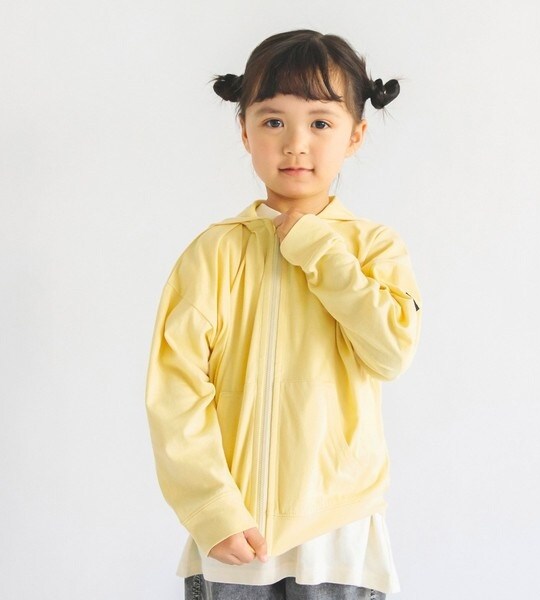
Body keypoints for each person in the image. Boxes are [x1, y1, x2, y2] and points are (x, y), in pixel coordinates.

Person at [145, 29, 422, 600]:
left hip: (340, 528)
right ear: (245, 131)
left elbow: (391, 352)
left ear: (356, 134)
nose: (296, 143)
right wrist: (210, 505)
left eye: (320, 122)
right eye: (274, 121)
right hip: (234, 530)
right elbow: (175, 390)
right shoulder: (214, 252)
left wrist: (319, 249)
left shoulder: (373, 248)